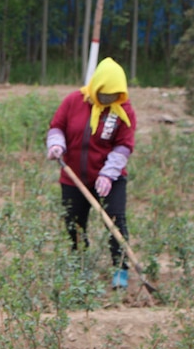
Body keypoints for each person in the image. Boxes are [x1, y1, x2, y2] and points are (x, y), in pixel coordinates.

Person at [46, 57, 137, 289]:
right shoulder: (74, 101)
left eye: (113, 95)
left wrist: (108, 174)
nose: (108, 99)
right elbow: (57, 126)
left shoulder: (123, 112)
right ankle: (80, 265)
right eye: (104, 94)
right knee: (74, 223)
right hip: (73, 178)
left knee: (115, 222)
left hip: (110, 180)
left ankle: (120, 269)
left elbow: (124, 145)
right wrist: (56, 145)